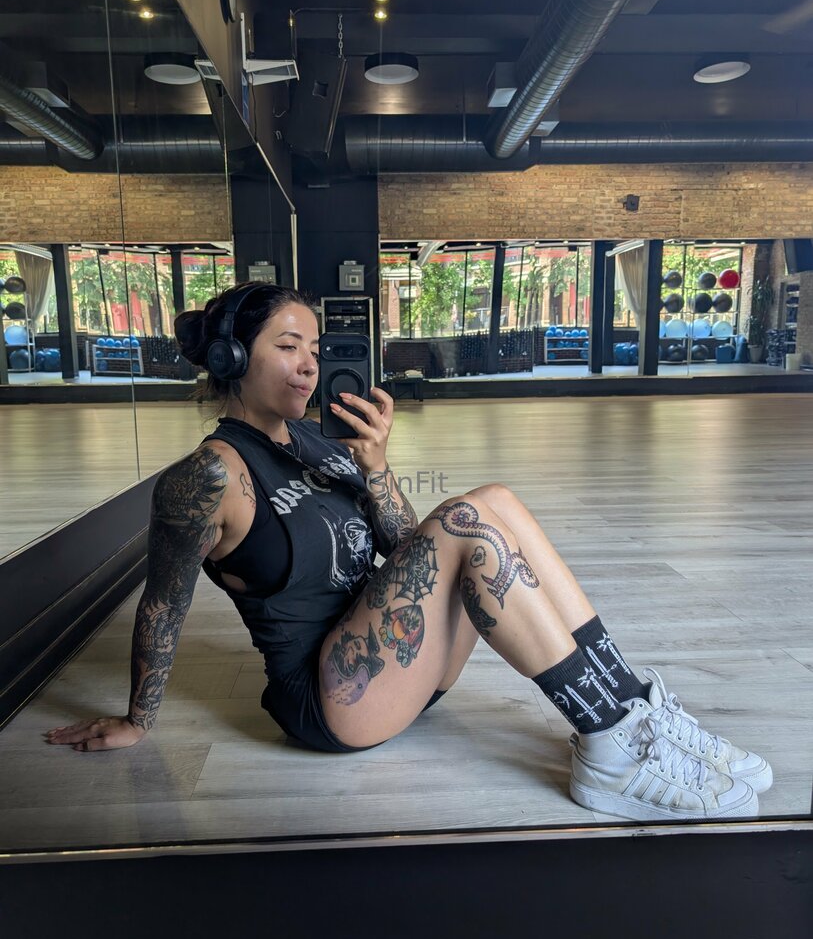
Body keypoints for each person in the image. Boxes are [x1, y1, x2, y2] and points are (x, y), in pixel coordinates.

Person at [45, 283, 772, 822]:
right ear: (233, 355)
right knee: (463, 517)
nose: (308, 366)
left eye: (314, 351)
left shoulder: (315, 441)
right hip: (330, 698)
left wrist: (376, 466)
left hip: (398, 664)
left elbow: (404, 550)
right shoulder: (208, 477)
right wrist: (137, 720)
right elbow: (163, 604)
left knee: (494, 500)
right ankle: (610, 745)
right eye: (287, 347)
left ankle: (630, 707)